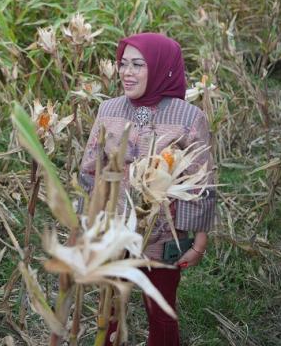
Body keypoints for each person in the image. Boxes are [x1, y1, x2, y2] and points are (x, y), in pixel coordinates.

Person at [79, 33, 216, 346]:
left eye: (138, 65)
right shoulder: (109, 110)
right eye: (123, 64)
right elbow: (90, 169)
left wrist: (198, 242)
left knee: (160, 308)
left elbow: (200, 182)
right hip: (113, 228)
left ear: (161, 68)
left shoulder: (188, 118)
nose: (127, 72)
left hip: (163, 233)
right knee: (109, 305)